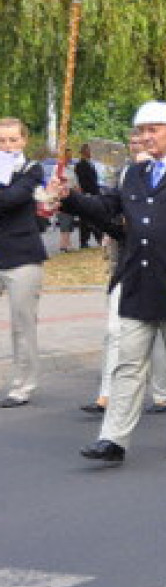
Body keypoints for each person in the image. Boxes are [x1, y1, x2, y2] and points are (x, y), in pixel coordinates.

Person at [55, 101, 166, 462]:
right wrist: (70, 198)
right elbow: (108, 211)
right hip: (137, 281)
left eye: (154, 129)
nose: (146, 137)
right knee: (128, 365)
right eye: (141, 130)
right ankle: (114, 438)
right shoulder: (133, 173)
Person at [83, 133, 166, 415]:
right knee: (114, 332)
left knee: (161, 334)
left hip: (161, 269)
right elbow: (106, 213)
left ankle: (163, 392)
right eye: (135, 144)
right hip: (128, 266)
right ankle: (107, 395)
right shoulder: (126, 179)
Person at [0, 118, 46, 408]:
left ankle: (22, 385)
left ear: (24, 141)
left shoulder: (31, 170)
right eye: (2, 141)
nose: (7, 146)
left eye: (12, 140)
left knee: (22, 323)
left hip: (22, 255)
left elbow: (11, 200)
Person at [74, 144, 101, 248]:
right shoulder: (80, 165)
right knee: (86, 219)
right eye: (90, 151)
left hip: (94, 194)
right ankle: (84, 241)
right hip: (87, 194)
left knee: (93, 217)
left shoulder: (91, 164)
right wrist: (87, 193)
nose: (91, 153)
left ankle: (97, 238)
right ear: (85, 152)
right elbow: (83, 181)